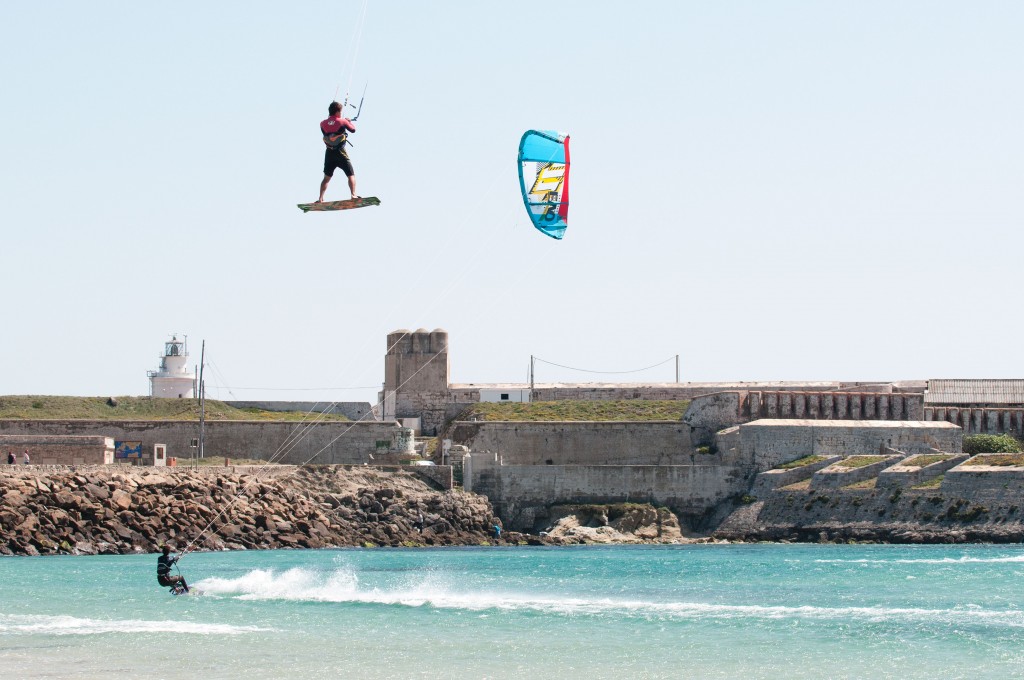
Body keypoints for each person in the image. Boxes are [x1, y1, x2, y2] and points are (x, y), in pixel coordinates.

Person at [317, 101, 358, 203]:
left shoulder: (322, 123)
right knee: (351, 174)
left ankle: (320, 198)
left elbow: (327, 132)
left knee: (326, 177)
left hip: (329, 153)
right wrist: (348, 121)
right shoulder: (342, 121)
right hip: (340, 152)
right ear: (337, 112)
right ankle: (353, 195)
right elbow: (353, 130)